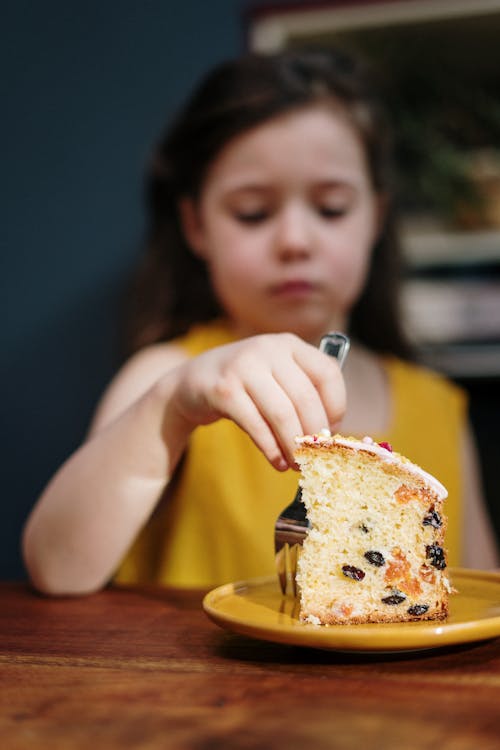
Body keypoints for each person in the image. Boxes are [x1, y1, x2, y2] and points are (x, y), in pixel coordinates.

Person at [22, 49, 499, 595]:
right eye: (253, 212)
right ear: (196, 225)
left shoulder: (438, 407)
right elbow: (57, 569)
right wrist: (174, 401)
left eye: (331, 208)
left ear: (376, 216)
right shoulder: (168, 379)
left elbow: (483, 599)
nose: (295, 240)